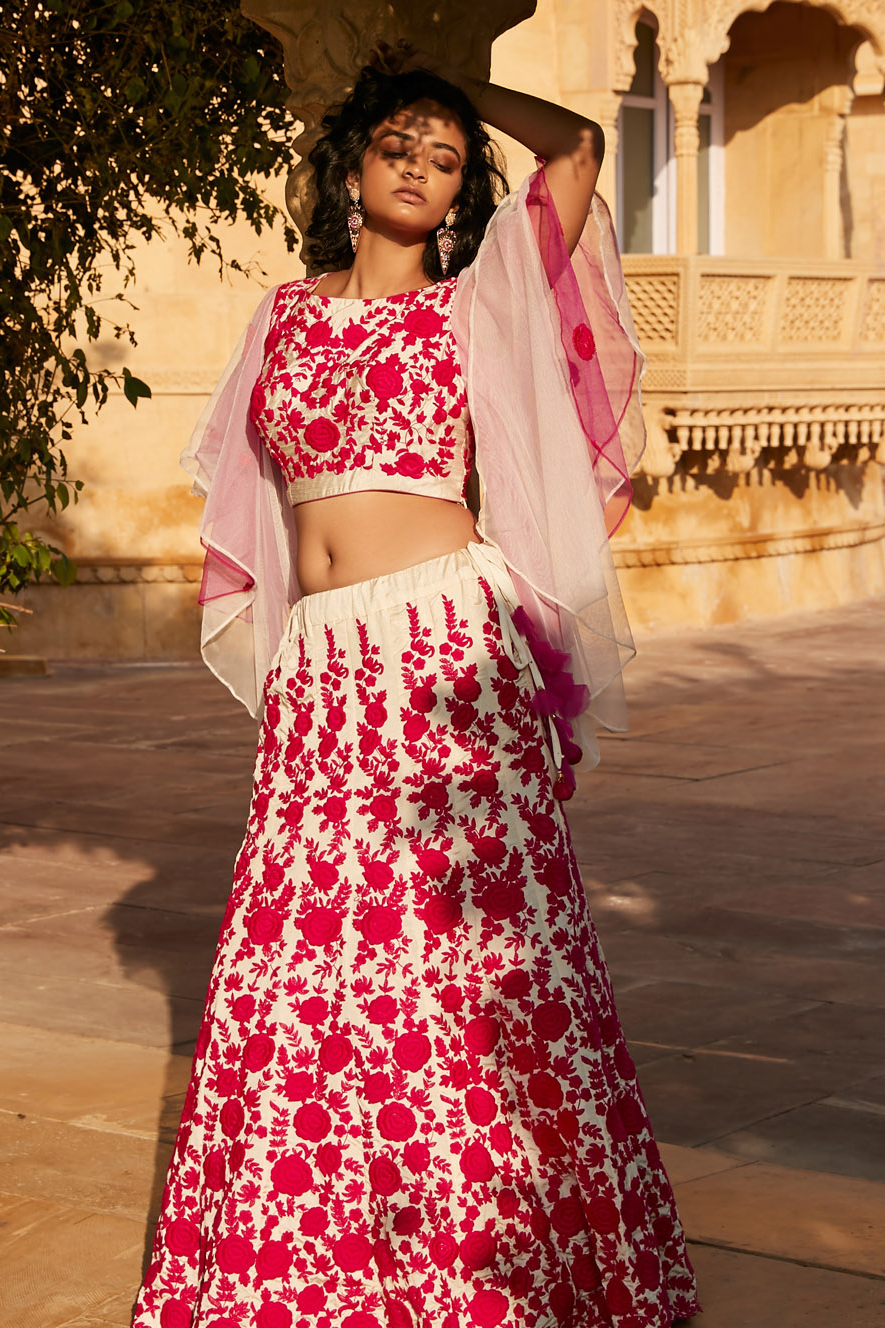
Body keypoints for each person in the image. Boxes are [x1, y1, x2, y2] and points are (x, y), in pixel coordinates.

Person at [131, 53, 700, 1328]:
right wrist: (290, 671)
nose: (420, 167)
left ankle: (492, 1267)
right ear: (349, 166)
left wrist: (454, 87)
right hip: (326, 666)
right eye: (398, 143)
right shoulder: (280, 316)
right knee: (300, 964)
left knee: (473, 959)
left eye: (444, 160)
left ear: (458, 196)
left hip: (447, 651)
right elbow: (255, 517)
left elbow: (576, 156)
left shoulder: (472, 305)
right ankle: (305, 1258)